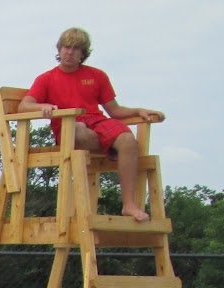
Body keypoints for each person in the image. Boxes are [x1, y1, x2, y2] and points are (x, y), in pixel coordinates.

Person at [17, 27, 164, 222]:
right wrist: (43, 106)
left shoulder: (97, 76)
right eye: (66, 47)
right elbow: (23, 106)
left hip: (96, 121)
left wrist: (138, 111)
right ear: (59, 49)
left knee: (128, 140)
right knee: (78, 130)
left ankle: (129, 204)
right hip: (69, 126)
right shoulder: (46, 78)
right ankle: (112, 148)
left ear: (83, 54)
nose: (70, 52)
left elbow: (115, 111)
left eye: (76, 49)